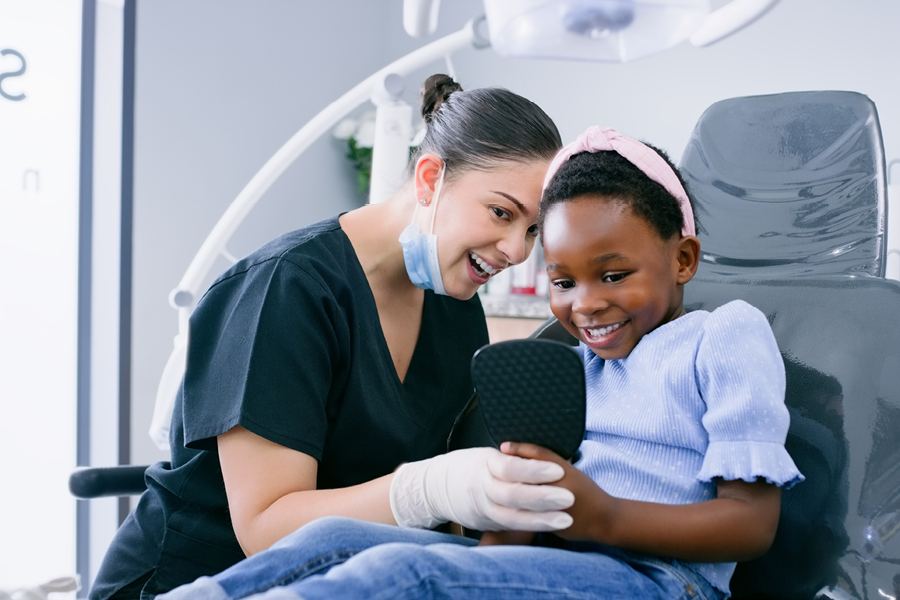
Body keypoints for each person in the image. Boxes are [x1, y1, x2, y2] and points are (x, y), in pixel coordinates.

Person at [155, 126, 805, 600]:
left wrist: (604, 518)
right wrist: (487, 559)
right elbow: (525, 521)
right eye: (563, 281)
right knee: (328, 542)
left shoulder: (721, 336)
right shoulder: (576, 366)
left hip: (664, 582)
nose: (587, 304)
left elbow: (750, 524)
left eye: (613, 274)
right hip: (565, 569)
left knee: (401, 577)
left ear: (683, 260)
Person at [88, 75, 570, 600]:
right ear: (430, 178)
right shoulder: (289, 288)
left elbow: (441, 525)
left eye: (530, 231)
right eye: (501, 212)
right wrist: (431, 489)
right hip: (195, 580)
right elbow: (266, 530)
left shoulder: (455, 311)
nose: (517, 252)